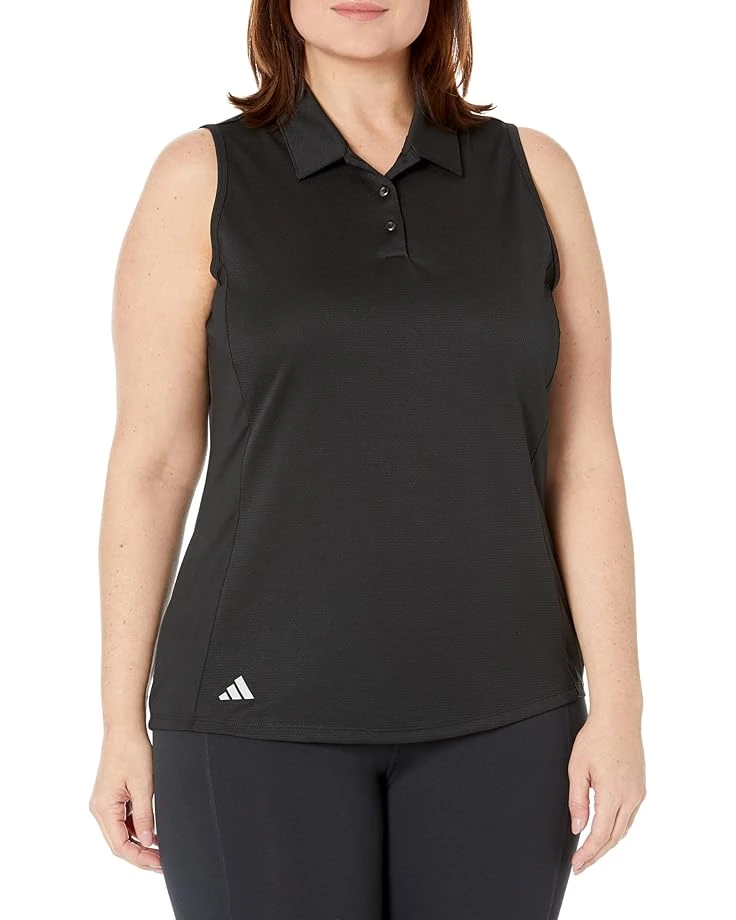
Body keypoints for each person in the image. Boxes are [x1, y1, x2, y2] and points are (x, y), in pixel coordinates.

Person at [89, 1, 647, 917]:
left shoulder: (534, 173)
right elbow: (151, 464)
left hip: (509, 715)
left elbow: (582, 455)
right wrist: (120, 721)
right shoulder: (200, 177)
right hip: (253, 714)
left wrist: (620, 705)